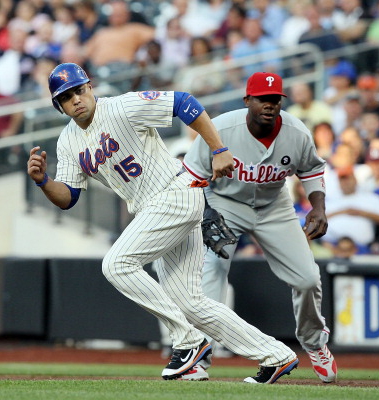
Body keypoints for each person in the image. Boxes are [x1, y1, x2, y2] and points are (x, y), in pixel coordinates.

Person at [27, 63, 299, 383]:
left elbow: (184, 102)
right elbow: (69, 197)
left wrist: (219, 148)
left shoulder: (123, 107)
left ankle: (188, 342)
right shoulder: (68, 142)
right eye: (66, 96)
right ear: (58, 106)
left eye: (79, 90)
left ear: (90, 87)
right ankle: (276, 355)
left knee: (116, 264)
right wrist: (44, 181)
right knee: (191, 303)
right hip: (153, 208)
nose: (76, 99)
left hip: (175, 191)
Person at [182, 72, 337, 384]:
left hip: (273, 205)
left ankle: (315, 343)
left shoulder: (295, 131)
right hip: (224, 201)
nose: (270, 104)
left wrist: (318, 207)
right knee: (210, 272)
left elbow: (312, 169)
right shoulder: (220, 128)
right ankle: (199, 356)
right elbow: (190, 176)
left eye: (275, 99)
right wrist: (206, 211)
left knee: (307, 278)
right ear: (247, 101)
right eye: (263, 99)